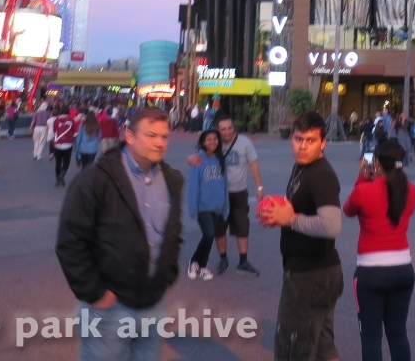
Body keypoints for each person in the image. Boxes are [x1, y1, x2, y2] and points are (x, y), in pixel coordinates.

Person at [56, 107, 184, 361]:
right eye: (150, 135)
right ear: (129, 135)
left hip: (152, 303)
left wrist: (167, 275)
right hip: (109, 308)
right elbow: (70, 241)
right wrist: (96, 293)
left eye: (164, 136)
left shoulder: (172, 180)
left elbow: (172, 233)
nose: (159, 143)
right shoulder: (95, 179)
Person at [258, 111, 344, 361]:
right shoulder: (302, 167)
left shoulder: (321, 175)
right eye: (298, 139)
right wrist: (278, 215)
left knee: (292, 348)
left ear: (323, 143)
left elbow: (332, 225)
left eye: (310, 140)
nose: (302, 146)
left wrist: (291, 220)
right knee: (322, 347)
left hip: (310, 276)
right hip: (322, 273)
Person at [343, 138, 415, 361]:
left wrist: (362, 178)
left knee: (371, 337)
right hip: (403, 268)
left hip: (371, 271)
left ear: (376, 163)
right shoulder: (411, 190)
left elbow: (348, 209)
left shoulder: (364, 191)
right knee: (397, 334)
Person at [188, 113, 264, 276]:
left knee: (242, 226)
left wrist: (259, 187)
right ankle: (223, 259)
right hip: (218, 195)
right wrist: (190, 159)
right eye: (223, 129)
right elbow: (197, 156)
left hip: (239, 192)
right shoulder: (213, 142)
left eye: (230, 128)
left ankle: (243, 261)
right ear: (218, 130)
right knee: (219, 229)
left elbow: (253, 165)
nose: (227, 132)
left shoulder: (245, 143)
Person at [187, 129, 229, 282]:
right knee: (209, 234)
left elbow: (225, 184)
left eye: (215, 139)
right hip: (202, 206)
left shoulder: (220, 158)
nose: (213, 142)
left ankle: (202, 267)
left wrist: (225, 205)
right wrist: (192, 207)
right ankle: (194, 262)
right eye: (209, 139)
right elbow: (193, 185)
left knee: (209, 237)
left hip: (217, 206)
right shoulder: (197, 159)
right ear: (203, 142)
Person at [52, 107, 75, 187]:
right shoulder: (71, 120)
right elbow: (73, 131)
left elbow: (54, 131)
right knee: (66, 162)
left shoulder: (56, 120)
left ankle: (58, 180)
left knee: (58, 162)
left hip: (57, 144)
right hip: (68, 144)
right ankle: (62, 175)